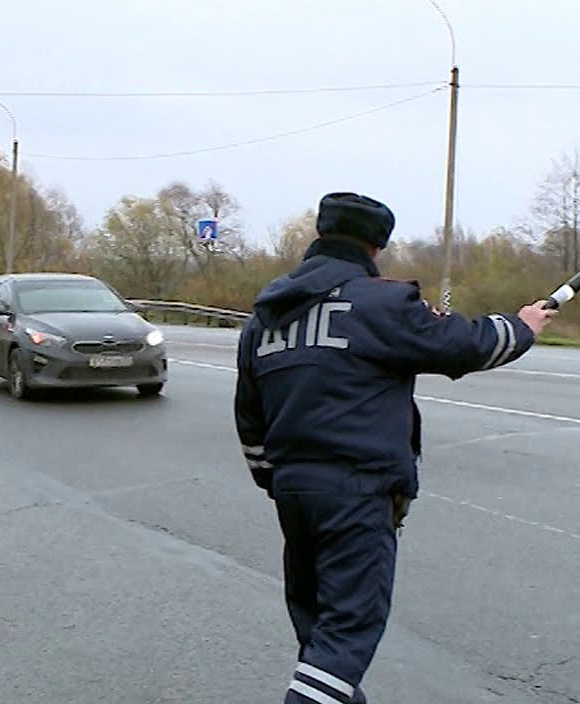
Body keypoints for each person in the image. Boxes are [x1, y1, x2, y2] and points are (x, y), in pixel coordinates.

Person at [234, 192, 558, 703]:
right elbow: (464, 344)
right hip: (357, 493)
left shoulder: (265, 319)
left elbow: (249, 419)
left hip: (294, 494)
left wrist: (279, 480)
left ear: (319, 236)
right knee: (346, 634)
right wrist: (521, 327)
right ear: (376, 247)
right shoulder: (380, 303)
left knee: (320, 635)